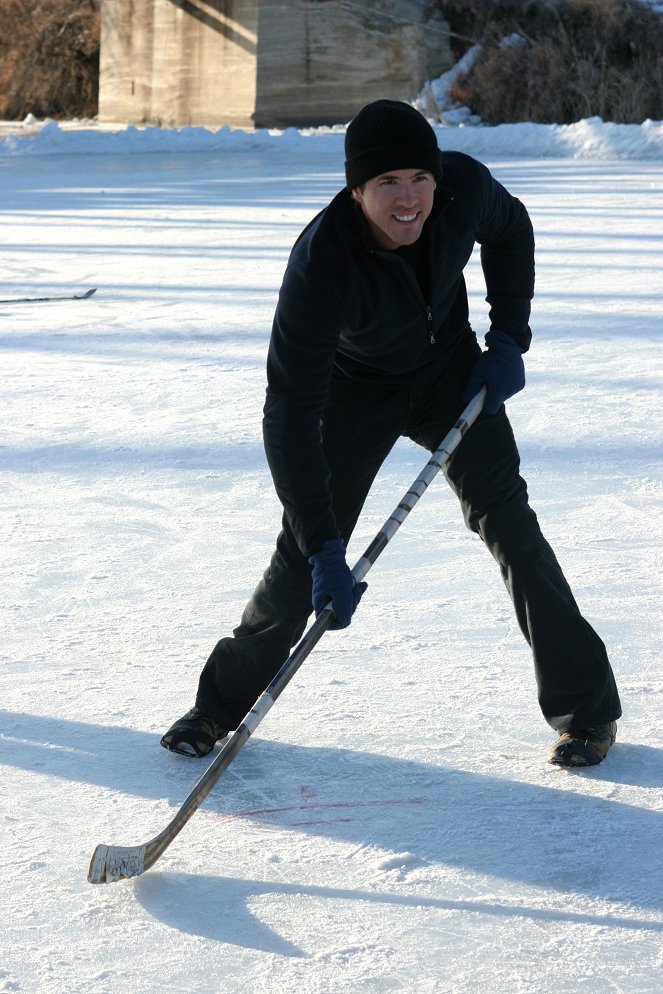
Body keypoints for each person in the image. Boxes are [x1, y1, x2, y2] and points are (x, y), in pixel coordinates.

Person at [161, 99, 621, 768]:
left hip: (450, 374)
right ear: (356, 191)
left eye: (418, 178)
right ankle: (216, 708)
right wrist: (323, 546)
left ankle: (586, 711)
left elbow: (511, 226)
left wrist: (508, 337)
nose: (407, 199)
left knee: (510, 524)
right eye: (386, 184)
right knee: (300, 561)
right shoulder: (323, 264)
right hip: (356, 392)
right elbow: (287, 411)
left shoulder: (461, 188)